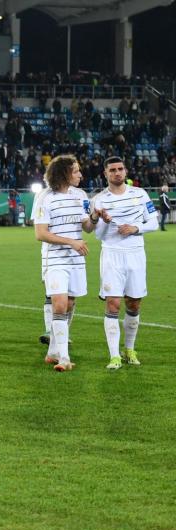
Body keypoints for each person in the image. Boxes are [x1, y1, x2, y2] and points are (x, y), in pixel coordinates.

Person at [91, 157, 158, 370]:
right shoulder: (99, 199)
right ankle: (114, 356)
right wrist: (103, 221)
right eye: (112, 170)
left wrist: (135, 228)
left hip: (136, 254)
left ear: (126, 171)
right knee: (113, 303)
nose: (117, 173)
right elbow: (98, 236)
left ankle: (129, 349)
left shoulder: (140, 194)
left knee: (134, 303)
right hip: (112, 255)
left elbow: (154, 222)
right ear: (105, 174)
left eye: (120, 169)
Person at [32, 154, 96, 372]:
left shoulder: (81, 195)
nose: (80, 174)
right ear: (64, 173)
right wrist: (71, 241)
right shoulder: (44, 197)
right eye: (76, 170)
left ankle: (52, 352)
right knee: (59, 304)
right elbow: (40, 234)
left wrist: (95, 217)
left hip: (76, 259)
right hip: (55, 258)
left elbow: (87, 227)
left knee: (69, 304)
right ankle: (64, 358)